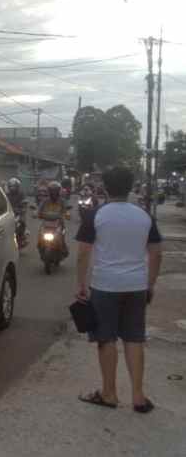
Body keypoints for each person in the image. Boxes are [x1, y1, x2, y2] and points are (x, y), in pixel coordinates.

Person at [75, 165, 163, 413]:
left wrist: (81, 285)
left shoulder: (95, 215)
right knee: (134, 338)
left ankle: (109, 394)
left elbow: (83, 254)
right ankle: (138, 397)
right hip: (136, 286)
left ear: (105, 187)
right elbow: (156, 253)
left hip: (105, 286)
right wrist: (150, 284)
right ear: (130, 187)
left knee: (106, 338)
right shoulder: (144, 216)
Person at [37, 180, 69, 256]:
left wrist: (67, 214)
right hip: (46, 222)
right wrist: (36, 213)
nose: (54, 193)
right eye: (52, 191)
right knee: (40, 232)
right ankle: (40, 245)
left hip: (58, 222)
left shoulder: (62, 201)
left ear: (58, 191)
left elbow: (65, 210)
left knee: (62, 234)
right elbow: (39, 209)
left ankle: (63, 247)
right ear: (49, 191)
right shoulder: (45, 201)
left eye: (55, 191)